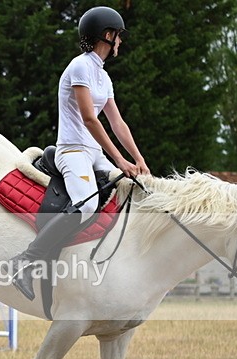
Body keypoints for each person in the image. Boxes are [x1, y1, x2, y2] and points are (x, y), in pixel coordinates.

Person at [10, 5, 151, 300]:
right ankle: (25, 261)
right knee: (85, 206)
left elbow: (117, 122)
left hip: (94, 152)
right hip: (72, 150)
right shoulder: (80, 67)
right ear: (107, 35)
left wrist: (139, 159)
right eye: (118, 36)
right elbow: (89, 118)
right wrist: (119, 159)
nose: (121, 42)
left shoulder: (103, 76)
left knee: (130, 189)